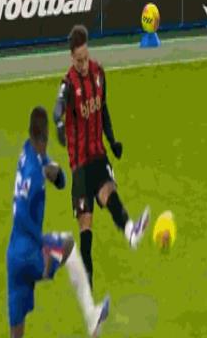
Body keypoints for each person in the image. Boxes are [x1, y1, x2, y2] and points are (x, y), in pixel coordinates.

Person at [3, 106, 109, 338]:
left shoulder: (28, 153)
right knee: (69, 245)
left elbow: (58, 179)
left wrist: (56, 173)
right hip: (30, 253)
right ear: (46, 135)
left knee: (16, 337)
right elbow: (23, 214)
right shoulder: (34, 174)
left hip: (13, 258)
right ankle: (91, 317)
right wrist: (40, 246)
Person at [53, 24, 150, 289]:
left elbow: (103, 109)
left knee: (109, 191)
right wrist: (59, 125)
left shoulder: (99, 73)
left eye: (86, 58)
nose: (84, 64)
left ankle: (130, 231)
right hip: (80, 164)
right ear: (71, 58)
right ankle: (88, 284)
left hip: (98, 154)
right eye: (79, 60)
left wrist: (112, 140)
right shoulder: (68, 84)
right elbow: (57, 107)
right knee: (86, 226)